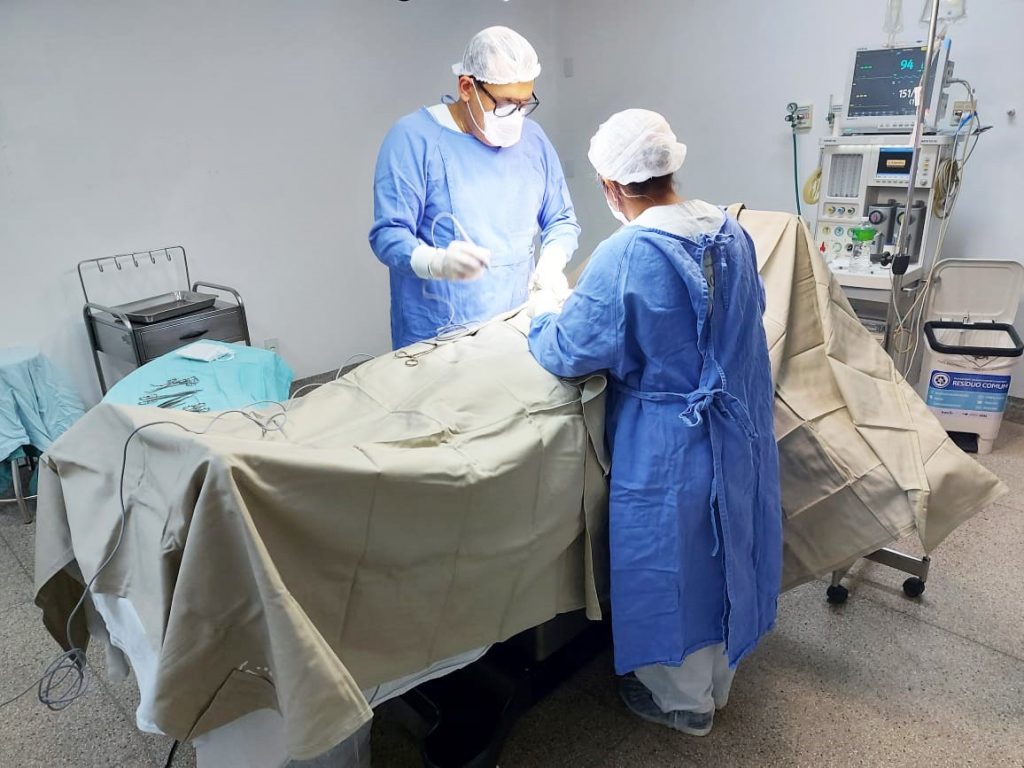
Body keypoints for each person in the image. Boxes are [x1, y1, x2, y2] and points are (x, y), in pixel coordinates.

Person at [527, 109, 782, 736]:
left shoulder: (627, 253)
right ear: (671, 167)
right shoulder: (731, 231)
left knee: (676, 563)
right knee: (727, 550)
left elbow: (571, 348)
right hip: (739, 429)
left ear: (612, 186)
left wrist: (542, 312)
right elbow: (748, 314)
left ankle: (681, 702)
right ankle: (718, 681)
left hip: (671, 441)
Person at [369, 26, 580, 350]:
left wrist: (552, 260)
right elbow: (388, 234)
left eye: (524, 103)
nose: (516, 116)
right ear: (466, 87)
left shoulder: (533, 139)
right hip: (438, 338)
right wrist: (435, 262)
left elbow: (561, 219)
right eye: (506, 103)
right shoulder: (413, 139)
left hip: (516, 326)